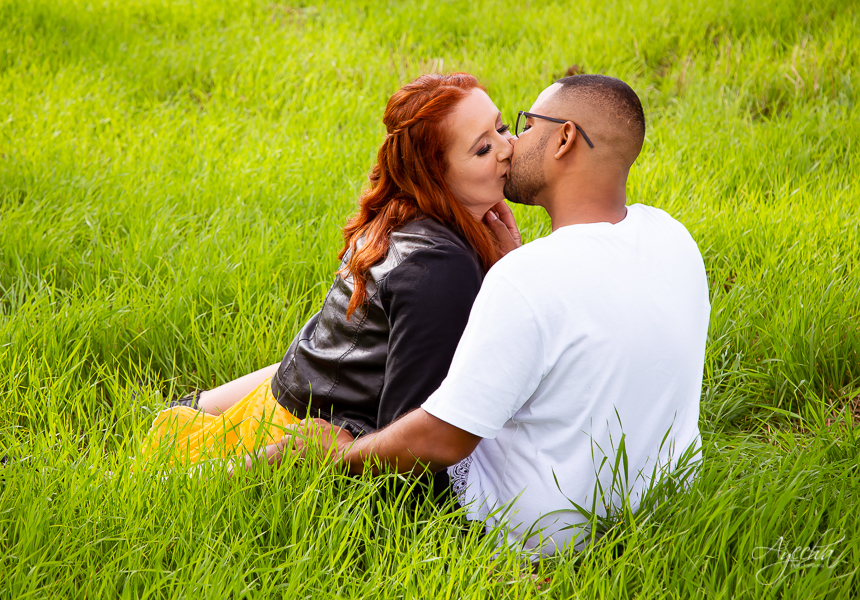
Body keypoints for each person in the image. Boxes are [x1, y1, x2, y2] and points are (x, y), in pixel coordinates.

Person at [288, 74, 711, 556]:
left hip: (529, 533)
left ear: (565, 138)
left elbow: (440, 441)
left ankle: (202, 459)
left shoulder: (527, 278)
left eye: (525, 126)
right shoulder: (672, 236)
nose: (513, 144)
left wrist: (338, 455)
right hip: (655, 510)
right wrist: (513, 265)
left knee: (337, 424)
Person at [139, 72, 524, 468]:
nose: (507, 147)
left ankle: (192, 410)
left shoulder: (405, 217)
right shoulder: (440, 266)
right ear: (435, 174)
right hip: (294, 443)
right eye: (482, 149)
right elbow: (413, 442)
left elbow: (323, 352)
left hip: (279, 410)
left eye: (502, 127)